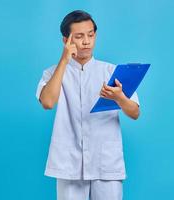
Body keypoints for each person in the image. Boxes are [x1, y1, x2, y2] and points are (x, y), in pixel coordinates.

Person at [36, 10, 140, 200]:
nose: (86, 42)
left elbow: (135, 112)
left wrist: (120, 99)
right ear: (66, 41)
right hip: (69, 163)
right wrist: (64, 60)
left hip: (105, 162)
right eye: (79, 36)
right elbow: (48, 102)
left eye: (90, 35)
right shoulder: (52, 73)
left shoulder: (111, 72)